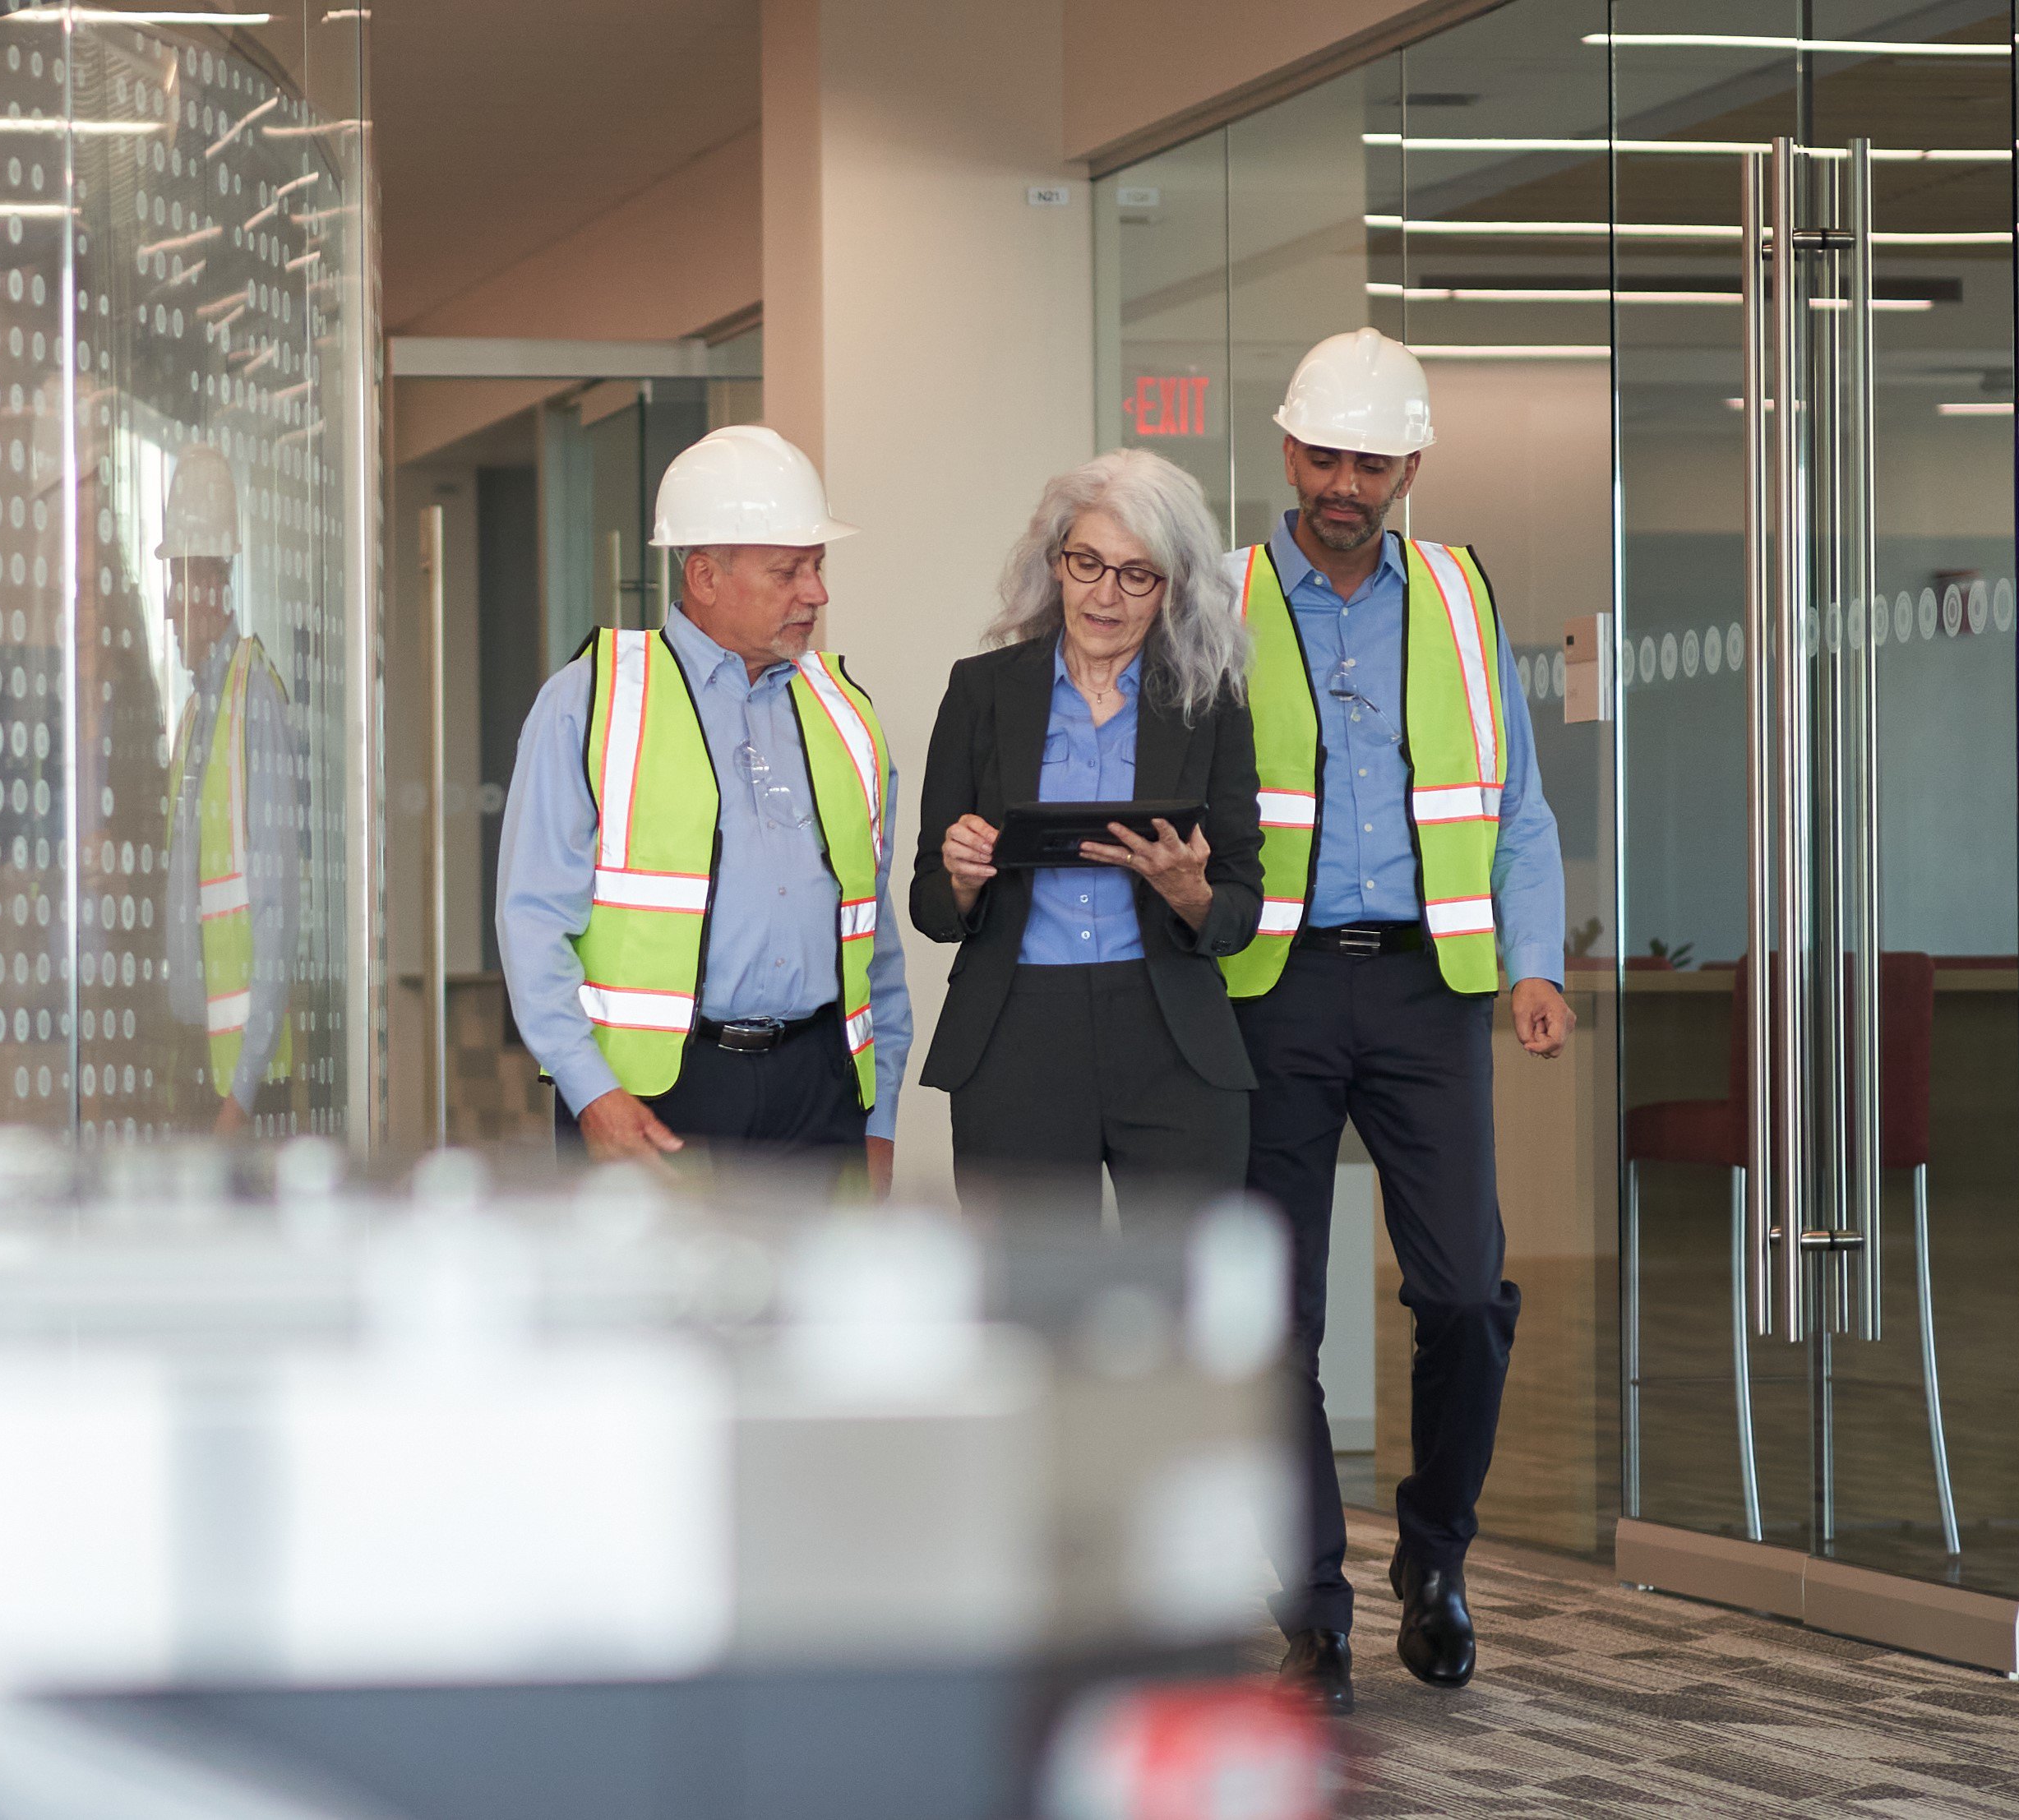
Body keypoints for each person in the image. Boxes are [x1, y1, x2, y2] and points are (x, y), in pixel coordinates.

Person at [1227, 329, 1570, 1713]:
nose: (1343, 483)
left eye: (1371, 460)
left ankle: (1433, 1558)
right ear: (1287, 449)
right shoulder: (1224, 595)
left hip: (1433, 985)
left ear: (1411, 464)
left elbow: (1515, 801)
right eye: (1323, 455)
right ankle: (1311, 1603)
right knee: (1274, 1315)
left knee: (1462, 1296)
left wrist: (1532, 961)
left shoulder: (1460, 591)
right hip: (1271, 985)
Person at [494, 424, 910, 1192]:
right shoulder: (592, 701)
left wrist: (879, 1117)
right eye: (787, 571)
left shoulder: (846, 713)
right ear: (705, 575)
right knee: (656, 1310)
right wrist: (591, 1091)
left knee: (805, 1312)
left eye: (816, 567)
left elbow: (873, 939)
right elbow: (531, 923)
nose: (815, 592)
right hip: (652, 1097)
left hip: (819, 1094)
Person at [911, 450, 1261, 1217]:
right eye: (1087, 564)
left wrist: (1191, 894)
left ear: (1173, 588)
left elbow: (1241, 911)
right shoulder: (981, 690)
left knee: (1184, 1307)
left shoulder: (1210, 702)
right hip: (1017, 1033)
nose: (1106, 595)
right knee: (1027, 1304)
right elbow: (930, 906)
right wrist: (964, 879)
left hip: (1170, 1036)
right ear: (1056, 565)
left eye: (1137, 574)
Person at [156, 442, 303, 1137]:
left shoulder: (253, 701)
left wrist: (241, 1095)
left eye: (177, 582)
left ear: (213, 584)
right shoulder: (195, 714)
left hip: (237, 1090)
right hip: (194, 1064)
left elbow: (275, 908)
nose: (167, 610)